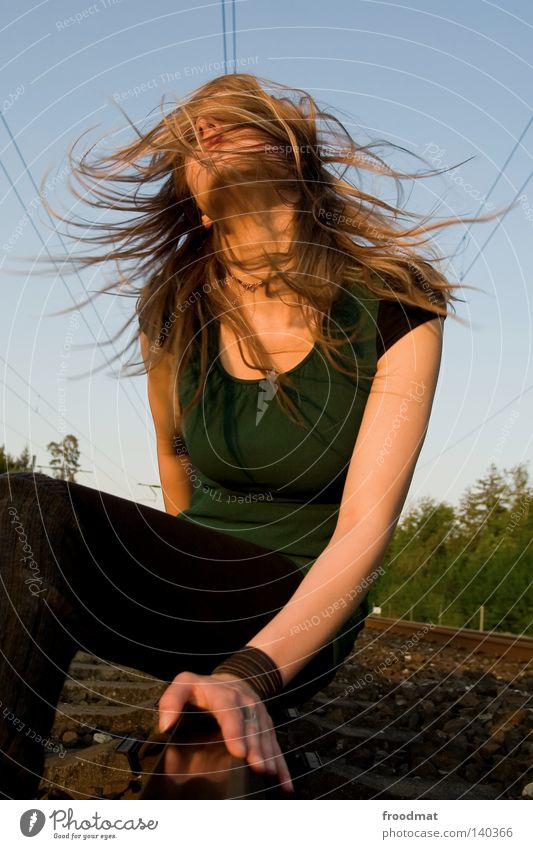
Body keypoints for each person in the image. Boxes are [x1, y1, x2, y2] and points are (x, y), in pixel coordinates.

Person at [0, 72, 500, 800]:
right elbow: (175, 451)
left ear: (297, 156)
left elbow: (364, 529)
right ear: (195, 204)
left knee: (205, 756)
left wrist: (246, 673)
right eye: (191, 136)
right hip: (195, 574)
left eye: (232, 119)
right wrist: (176, 590)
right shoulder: (174, 309)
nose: (204, 130)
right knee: (20, 514)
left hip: (299, 591)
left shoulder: (396, 302)